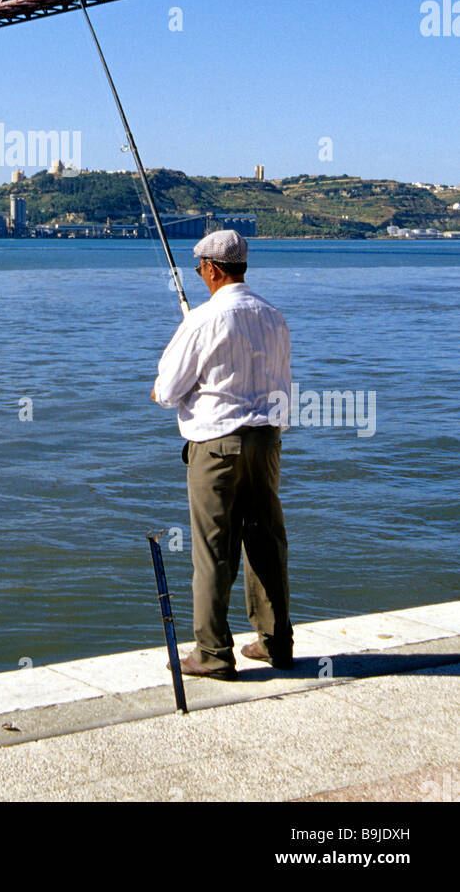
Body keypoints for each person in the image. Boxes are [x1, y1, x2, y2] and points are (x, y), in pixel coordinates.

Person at [152, 230, 294, 679]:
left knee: (213, 548)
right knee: (266, 540)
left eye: (199, 269)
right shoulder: (273, 316)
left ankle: (213, 654)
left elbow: (168, 390)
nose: (199, 276)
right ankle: (276, 642)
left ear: (212, 270)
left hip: (216, 446)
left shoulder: (201, 321)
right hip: (267, 441)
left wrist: (161, 389)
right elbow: (284, 384)